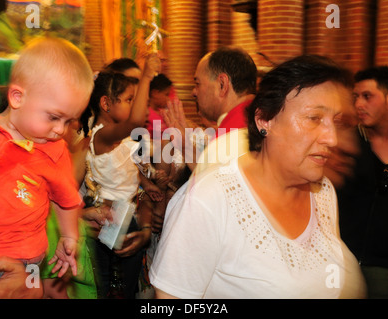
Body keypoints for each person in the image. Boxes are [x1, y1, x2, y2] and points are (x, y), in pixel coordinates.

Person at [149, 55, 366, 299]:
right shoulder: (208, 201)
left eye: (336, 122)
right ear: (264, 120)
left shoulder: (323, 191)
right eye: (314, 118)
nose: (332, 138)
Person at [0, 37, 94, 288]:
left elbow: (66, 199)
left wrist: (69, 236)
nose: (60, 130)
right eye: (54, 117)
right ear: (18, 97)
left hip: (21, 255)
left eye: (68, 121)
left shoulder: (54, 151)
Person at [79, 54, 161, 299]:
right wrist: (146, 76)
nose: (134, 105)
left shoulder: (123, 141)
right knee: (105, 286)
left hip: (128, 214)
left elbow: (132, 174)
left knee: (126, 288)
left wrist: (149, 182)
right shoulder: (101, 136)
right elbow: (137, 120)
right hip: (108, 216)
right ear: (106, 103)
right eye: (129, 99)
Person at [337, 66, 388, 299]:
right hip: (342, 263)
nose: (359, 104)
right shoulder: (347, 143)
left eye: (367, 96)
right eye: (355, 97)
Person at [162, 46, 257, 173]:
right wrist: (186, 146)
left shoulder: (234, 134)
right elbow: (215, 177)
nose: (193, 92)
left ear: (222, 85)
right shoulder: (254, 118)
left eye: (197, 84)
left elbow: (213, 189)